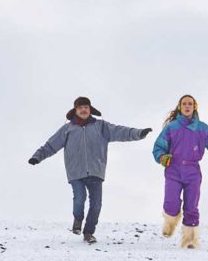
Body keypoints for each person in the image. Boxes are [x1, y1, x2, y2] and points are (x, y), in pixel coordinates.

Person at [29, 96, 151, 245]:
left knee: (96, 204)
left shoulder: (101, 126)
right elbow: (51, 145)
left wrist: (139, 133)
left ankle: (88, 233)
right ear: (75, 110)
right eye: (80, 107)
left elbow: (120, 131)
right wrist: (38, 157)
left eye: (86, 107)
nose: (83, 109)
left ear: (90, 109)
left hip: (95, 171)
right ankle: (78, 218)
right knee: (79, 198)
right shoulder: (67, 129)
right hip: (75, 172)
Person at [152, 94, 208, 249]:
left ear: (194, 107)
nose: (187, 106)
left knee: (192, 206)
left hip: (193, 170)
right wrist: (162, 157)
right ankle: (170, 224)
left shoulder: (202, 128)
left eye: (190, 104)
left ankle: (190, 240)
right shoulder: (172, 127)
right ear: (180, 107)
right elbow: (159, 147)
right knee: (171, 203)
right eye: (184, 103)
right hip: (173, 169)